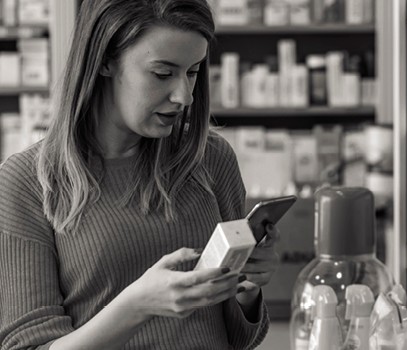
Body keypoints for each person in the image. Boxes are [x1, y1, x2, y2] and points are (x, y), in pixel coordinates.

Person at [0, 0, 280, 349]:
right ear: (104, 60)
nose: (185, 96)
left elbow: (241, 340)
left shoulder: (210, 158)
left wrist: (247, 290)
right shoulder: (27, 181)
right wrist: (138, 306)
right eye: (163, 73)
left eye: (192, 72)